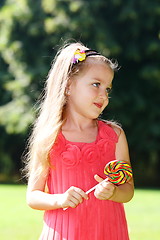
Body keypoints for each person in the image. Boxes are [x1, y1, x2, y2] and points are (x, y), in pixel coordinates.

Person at [25, 42, 134, 240]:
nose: (104, 95)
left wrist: (113, 193)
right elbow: (33, 196)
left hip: (109, 233)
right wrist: (61, 199)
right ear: (68, 86)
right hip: (63, 234)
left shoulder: (115, 135)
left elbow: (127, 190)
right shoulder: (49, 137)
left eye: (107, 89)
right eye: (96, 84)